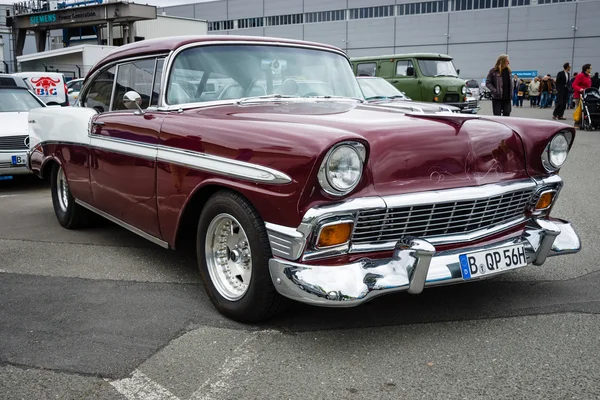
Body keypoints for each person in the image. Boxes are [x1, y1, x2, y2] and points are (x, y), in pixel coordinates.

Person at [572, 64, 592, 129]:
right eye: (590, 68)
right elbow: (574, 85)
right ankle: (576, 123)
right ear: (586, 69)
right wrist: (580, 89)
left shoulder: (588, 76)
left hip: (586, 95)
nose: (591, 69)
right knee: (579, 109)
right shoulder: (580, 75)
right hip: (579, 95)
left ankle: (583, 122)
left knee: (585, 109)